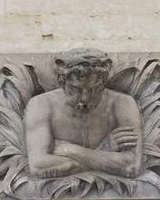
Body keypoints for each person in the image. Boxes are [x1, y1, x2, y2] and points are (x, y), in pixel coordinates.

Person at [25, 48, 143, 179]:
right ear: (62, 83)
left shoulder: (122, 103)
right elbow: (38, 166)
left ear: (103, 83)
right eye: (75, 89)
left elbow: (131, 166)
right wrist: (104, 154)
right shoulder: (41, 105)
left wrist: (70, 150)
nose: (85, 98)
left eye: (95, 89)